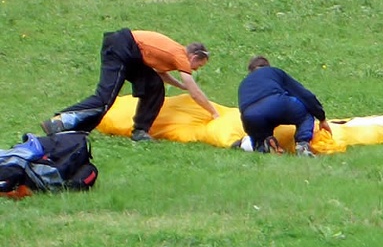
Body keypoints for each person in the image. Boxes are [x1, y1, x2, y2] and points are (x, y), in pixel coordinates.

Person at [41, 29, 220, 141]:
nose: (196, 69)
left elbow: (161, 74)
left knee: (154, 85)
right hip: (121, 47)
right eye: (199, 65)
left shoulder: (175, 54)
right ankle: (59, 121)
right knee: (105, 99)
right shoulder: (180, 55)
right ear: (194, 57)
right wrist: (214, 112)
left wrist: (180, 86)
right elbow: (195, 92)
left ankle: (140, 131)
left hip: (132, 54)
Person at [238, 56, 332, 157]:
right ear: (267, 66)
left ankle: (266, 144)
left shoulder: (243, 83)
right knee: (305, 114)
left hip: (250, 115)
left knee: (260, 136)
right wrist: (321, 117)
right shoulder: (274, 72)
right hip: (276, 103)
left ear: (250, 70)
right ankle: (302, 144)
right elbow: (303, 94)